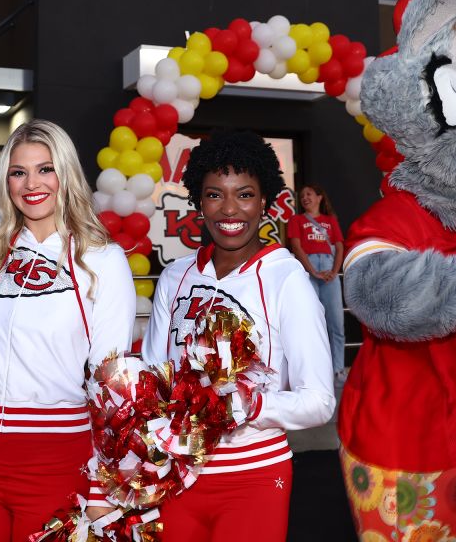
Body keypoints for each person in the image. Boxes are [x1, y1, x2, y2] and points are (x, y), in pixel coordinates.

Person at [0, 58, 136, 541]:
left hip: (56, 460)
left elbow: (112, 381)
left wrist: (103, 487)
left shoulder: (102, 260)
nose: (32, 184)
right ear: (7, 182)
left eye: (45, 170)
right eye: (18, 173)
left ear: (66, 174)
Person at [142, 129, 335, 542]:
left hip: (253, 477)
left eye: (244, 194)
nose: (230, 209)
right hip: (176, 475)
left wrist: (246, 404)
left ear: (265, 201)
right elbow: (153, 383)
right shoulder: (175, 277)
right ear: (198, 201)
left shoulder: (287, 279)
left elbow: (319, 402)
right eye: (215, 195)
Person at [286, 183, 347, 381]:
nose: (305, 198)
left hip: (329, 269)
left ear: (320, 197)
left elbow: (339, 246)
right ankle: (313, 372)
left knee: (336, 323)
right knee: (309, 322)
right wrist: (312, 271)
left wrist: (334, 271)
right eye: (302, 195)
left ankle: (338, 369)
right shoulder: (296, 220)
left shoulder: (331, 221)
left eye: (309, 194)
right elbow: (296, 246)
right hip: (308, 267)